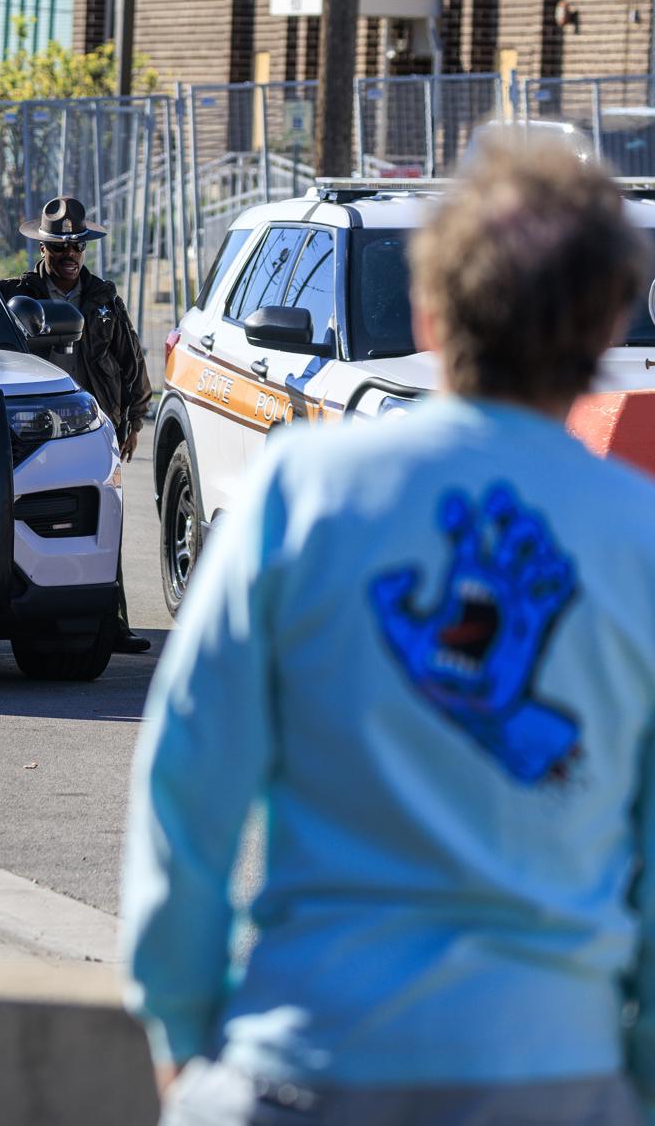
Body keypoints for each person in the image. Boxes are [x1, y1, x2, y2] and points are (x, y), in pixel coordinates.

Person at [120, 136, 655, 1125]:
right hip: (556, 1077)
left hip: (305, 1068)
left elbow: (188, 790)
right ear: (610, 317)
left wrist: (185, 1035)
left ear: (427, 307)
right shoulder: (639, 541)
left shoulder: (297, 495)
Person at [0, 196, 154, 654]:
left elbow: (131, 363)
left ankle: (112, 625)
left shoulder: (104, 298)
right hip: (34, 432)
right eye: (60, 249)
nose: (70, 257)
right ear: (42, 250)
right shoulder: (14, 295)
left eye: (77, 249)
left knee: (106, 522)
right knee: (28, 521)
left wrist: (133, 420)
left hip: (96, 429)